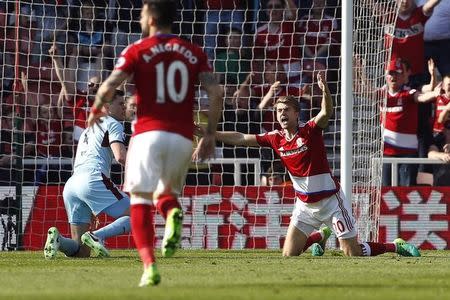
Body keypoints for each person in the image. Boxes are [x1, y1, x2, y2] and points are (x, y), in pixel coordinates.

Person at [194, 72, 421, 258]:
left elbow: (326, 112)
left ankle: (395, 246)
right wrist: (211, 133)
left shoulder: (310, 131)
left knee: (352, 254)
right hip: (304, 207)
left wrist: (325, 92)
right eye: (278, 111)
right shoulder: (275, 138)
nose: (282, 115)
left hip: (331, 202)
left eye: (286, 111)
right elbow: (242, 138)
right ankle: (319, 236)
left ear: (296, 113)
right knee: (288, 255)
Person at [87, 0, 223, 287]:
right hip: (182, 137)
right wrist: (209, 134)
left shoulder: (137, 49)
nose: (138, 17)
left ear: (150, 17)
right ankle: (172, 212)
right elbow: (215, 91)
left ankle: (149, 266)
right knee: (167, 195)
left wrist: (96, 109)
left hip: (148, 134)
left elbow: (110, 85)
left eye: (140, 13)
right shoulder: (193, 51)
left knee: (140, 201)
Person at [43, 91, 131, 259]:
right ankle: (96, 235)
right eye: (120, 104)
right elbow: (120, 156)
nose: (124, 107)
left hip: (72, 184)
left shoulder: (88, 129)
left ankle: (59, 241)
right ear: (106, 106)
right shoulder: (113, 123)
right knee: (137, 215)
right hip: (92, 179)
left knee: (81, 251)